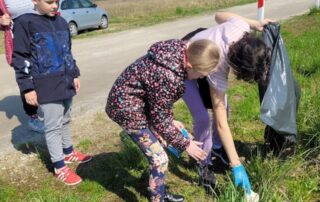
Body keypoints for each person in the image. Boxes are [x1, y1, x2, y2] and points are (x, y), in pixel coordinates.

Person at [106, 38, 220, 202]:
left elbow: (158, 99)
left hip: (137, 102)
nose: (201, 78)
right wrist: (186, 144)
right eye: (202, 75)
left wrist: (170, 120)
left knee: (163, 140)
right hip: (127, 109)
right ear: (191, 66)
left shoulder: (181, 48)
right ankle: (158, 199)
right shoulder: (168, 76)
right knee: (159, 159)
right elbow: (160, 117)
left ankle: (158, 191)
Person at [182, 11, 273, 193]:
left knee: (226, 108)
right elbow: (220, 117)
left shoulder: (241, 28)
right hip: (186, 64)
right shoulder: (219, 65)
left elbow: (218, 15)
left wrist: (255, 23)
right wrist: (236, 164)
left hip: (204, 49)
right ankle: (203, 162)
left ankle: (216, 148)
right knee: (201, 117)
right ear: (236, 66)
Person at [12, 0, 92, 185]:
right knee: (53, 126)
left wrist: (74, 74)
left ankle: (68, 152)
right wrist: (27, 87)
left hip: (65, 81)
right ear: (34, 1)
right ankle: (59, 166)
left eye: (57, 1)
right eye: (49, 2)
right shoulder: (26, 23)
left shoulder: (62, 22)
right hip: (45, 84)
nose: (55, 6)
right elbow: (21, 58)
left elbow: (67, 52)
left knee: (65, 118)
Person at [0, 0, 44, 133]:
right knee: (26, 77)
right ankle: (33, 118)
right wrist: (1, 22)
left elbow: (51, 5)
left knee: (47, 73)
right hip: (19, 41)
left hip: (41, 37)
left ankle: (54, 110)